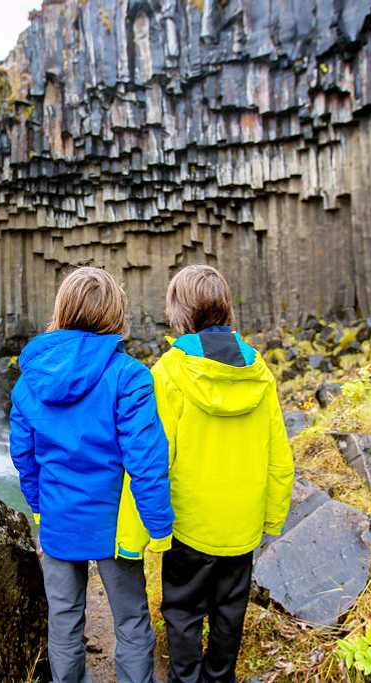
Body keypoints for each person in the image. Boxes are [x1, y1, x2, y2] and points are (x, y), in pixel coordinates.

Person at [9, 266, 175, 683]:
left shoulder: (31, 379)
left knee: (64, 623)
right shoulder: (130, 376)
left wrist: (39, 508)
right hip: (115, 526)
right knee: (131, 621)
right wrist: (158, 526)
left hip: (60, 519)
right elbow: (146, 459)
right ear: (115, 313)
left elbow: (23, 457)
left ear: (61, 309)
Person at [152, 265, 294, 683]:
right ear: (226, 307)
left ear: (178, 312)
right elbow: (279, 457)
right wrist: (272, 517)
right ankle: (221, 676)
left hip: (190, 524)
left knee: (182, 610)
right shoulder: (259, 372)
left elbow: (157, 457)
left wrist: (149, 524)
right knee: (230, 611)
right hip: (242, 524)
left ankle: (186, 678)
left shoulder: (169, 372)